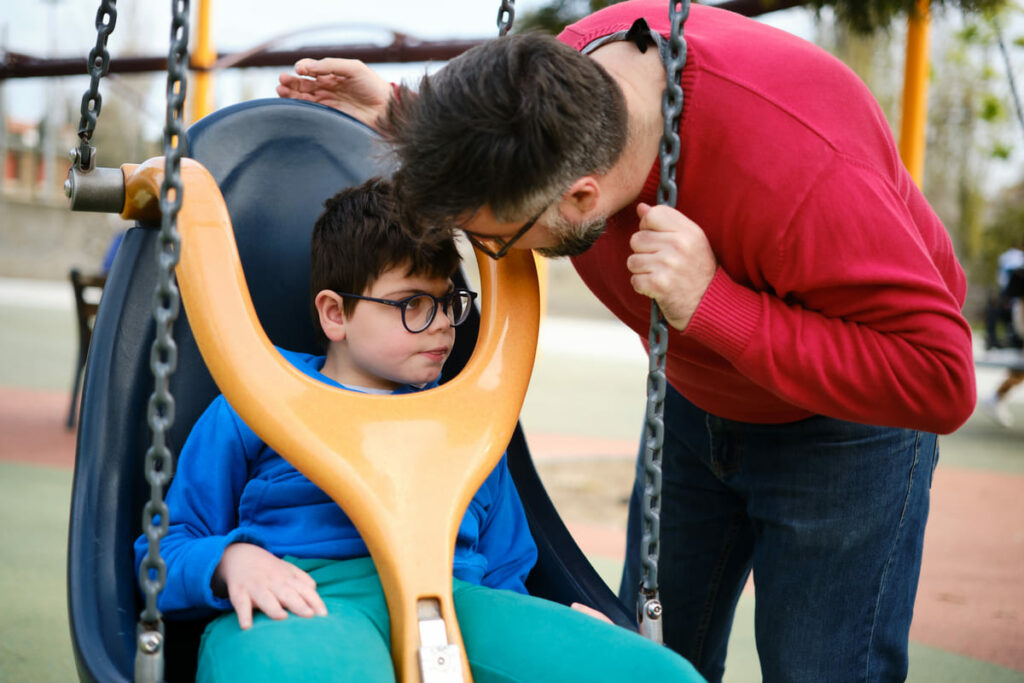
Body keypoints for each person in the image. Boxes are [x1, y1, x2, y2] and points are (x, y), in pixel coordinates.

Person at [277, 2, 977, 681]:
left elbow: (942, 379)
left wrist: (717, 305)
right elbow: (507, 134)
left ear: (582, 198)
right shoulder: (575, 71)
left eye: (494, 241)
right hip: (695, 403)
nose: (487, 252)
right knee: (646, 652)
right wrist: (410, 120)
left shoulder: (803, 164)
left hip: (841, 425)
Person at [133, 178, 702, 682]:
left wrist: (549, 625)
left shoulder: (468, 419)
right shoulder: (258, 395)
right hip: (308, 595)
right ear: (336, 314)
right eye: (411, 305)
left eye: (448, 302)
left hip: (458, 602)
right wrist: (232, 561)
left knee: (653, 671)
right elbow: (165, 551)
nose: (440, 327)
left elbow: (506, 571)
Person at [983, 242, 1024, 427]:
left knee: (1018, 374)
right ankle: (996, 397)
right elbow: (1018, 308)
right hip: (1019, 329)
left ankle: (996, 397)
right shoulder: (1019, 273)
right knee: (1018, 373)